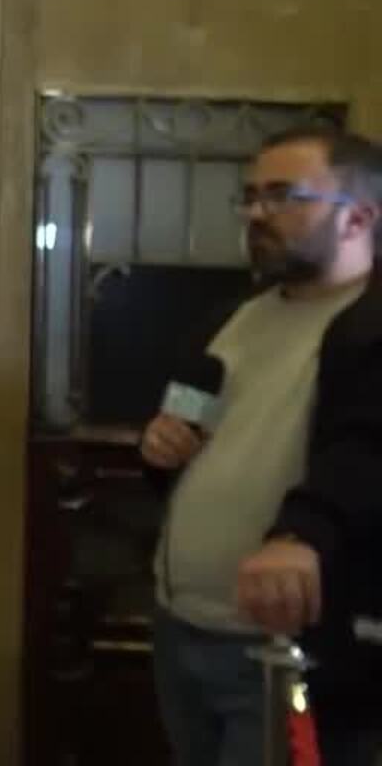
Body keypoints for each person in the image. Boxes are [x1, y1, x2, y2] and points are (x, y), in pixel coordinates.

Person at [140, 126, 381, 766]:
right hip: (182, 626)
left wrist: (301, 534)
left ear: (358, 217)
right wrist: (159, 448)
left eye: (282, 196)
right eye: (249, 197)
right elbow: (186, 423)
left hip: (292, 649)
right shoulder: (230, 319)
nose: (255, 214)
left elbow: (365, 453)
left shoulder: (370, 324)